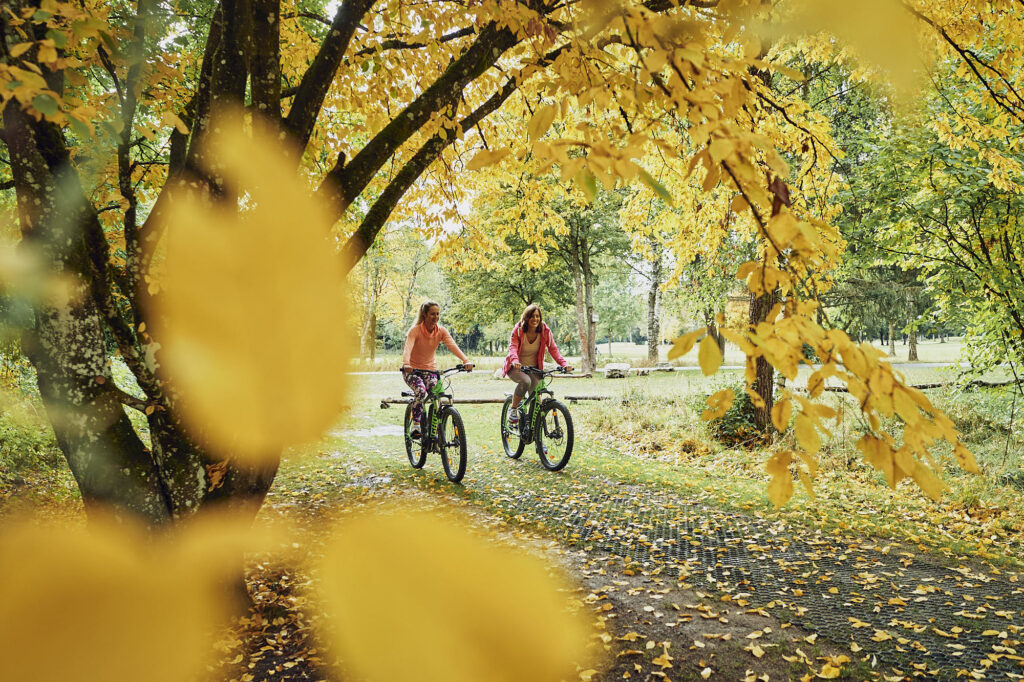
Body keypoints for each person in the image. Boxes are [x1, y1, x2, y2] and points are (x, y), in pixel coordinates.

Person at [402, 301, 474, 439]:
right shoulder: (415, 330)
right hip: (412, 371)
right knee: (421, 391)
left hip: (430, 371)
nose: (435, 317)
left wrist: (466, 361)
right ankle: (416, 424)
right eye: (432, 314)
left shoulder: (441, 331)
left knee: (438, 396)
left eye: (437, 314)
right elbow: (408, 348)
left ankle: (433, 430)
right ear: (424, 314)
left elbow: (453, 346)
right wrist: (406, 364)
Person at [502, 304, 572, 427]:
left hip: (534, 368)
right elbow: (512, 348)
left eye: (537, 316)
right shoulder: (518, 330)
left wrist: (564, 364)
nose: (535, 319)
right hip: (516, 367)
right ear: (526, 318)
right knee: (525, 381)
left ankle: (532, 428)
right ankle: (513, 408)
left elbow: (553, 349)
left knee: (535, 397)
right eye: (532, 316)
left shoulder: (545, 330)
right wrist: (515, 361)